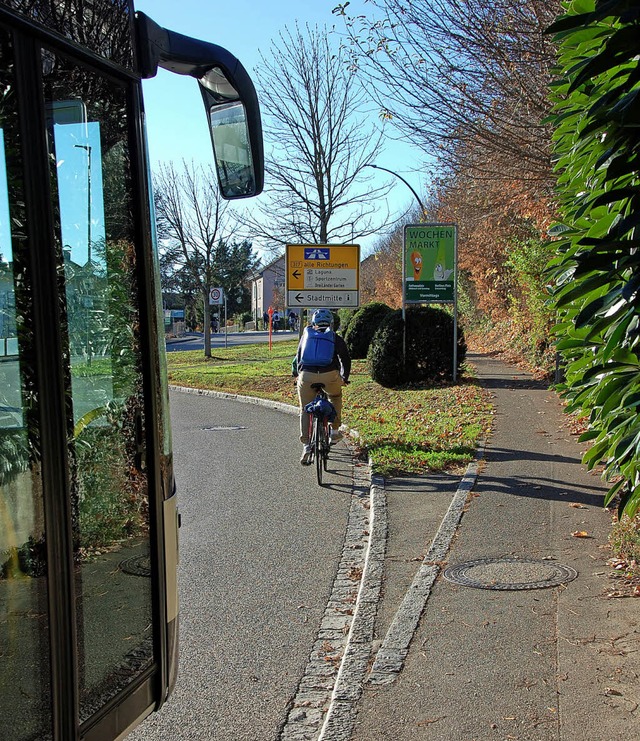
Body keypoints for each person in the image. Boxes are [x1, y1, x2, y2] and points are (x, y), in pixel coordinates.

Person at [293, 308, 351, 465]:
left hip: (307, 375)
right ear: (331, 323)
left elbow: (298, 358)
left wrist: (296, 375)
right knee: (335, 396)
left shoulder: (306, 336)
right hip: (329, 374)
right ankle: (334, 431)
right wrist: (345, 377)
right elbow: (345, 358)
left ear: (313, 323)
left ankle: (306, 445)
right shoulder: (334, 337)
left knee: (305, 408)